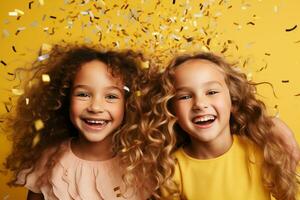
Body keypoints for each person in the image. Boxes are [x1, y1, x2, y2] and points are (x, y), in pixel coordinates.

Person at [143, 52, 299, 199]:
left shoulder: (261, 152)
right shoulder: (171, 169)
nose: (200, 104)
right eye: (184, 96)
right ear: (171, 110)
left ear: (233, 100)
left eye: (211, 92)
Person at [3, 44, 149, 200]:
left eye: (111, 96)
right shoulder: (47, 161)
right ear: (65, 98)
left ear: (130, 104)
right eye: (83, 94)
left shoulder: (141, 164)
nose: (95, 107)